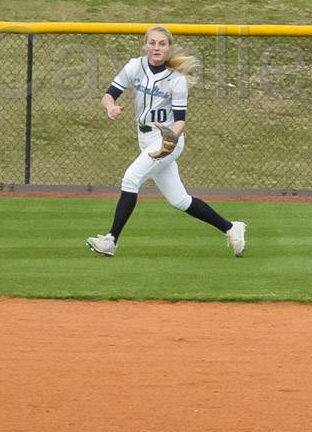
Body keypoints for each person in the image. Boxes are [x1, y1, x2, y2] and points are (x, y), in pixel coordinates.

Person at [86, 25, 247, 258]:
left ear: (169, 48)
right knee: (179, 200)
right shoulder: (135, 66)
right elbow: (109, 94)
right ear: (145, 45)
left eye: (162, 43)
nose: (156, 47)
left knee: (131, 179)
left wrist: (169, 140)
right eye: (152, 42)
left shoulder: (176, 79)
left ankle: (111, 240)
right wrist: (110, 106)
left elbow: (180, 121)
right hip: (145, 138)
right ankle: (231, 228)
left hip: (167, 140)